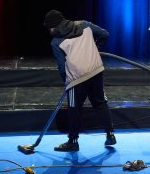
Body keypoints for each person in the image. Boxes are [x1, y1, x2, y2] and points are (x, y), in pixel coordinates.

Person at [44, 9, 116, 151]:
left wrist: (66, 82)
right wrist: (95, 47)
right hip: (95, 71)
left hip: (76, 78)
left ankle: (73, 142)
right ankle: (110, 135)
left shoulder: (56, 41)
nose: (50, 30)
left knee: (74, 108)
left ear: (54, 26)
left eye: (50, 27)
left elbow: (62, 67)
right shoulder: (84, 24)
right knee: (101, 103)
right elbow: (105, 34)